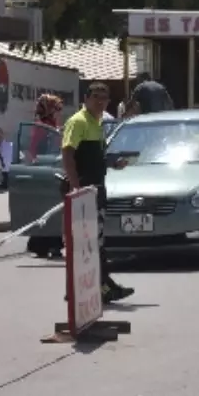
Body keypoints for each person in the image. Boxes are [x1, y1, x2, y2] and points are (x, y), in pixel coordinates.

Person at [61, 82, 134, 303]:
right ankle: (87, 288)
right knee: (85, 242)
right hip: (83, 190)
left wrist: (113, 163)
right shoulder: (78, 122)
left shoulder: (98, 123)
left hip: (97, 188)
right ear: (86, 98)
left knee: (97, 240)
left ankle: (102, 283)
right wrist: (76, 187)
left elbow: (95, 158)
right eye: (96, 97)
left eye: (105, 98)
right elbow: (67, 153)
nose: (101, 102)